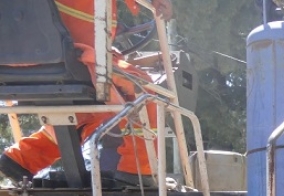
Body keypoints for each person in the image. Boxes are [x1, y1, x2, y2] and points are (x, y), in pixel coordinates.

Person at [0, 0, 171, 185]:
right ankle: (138, 171)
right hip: (72, 57)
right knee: (142, 87)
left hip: (11, 67)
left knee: (91, 110)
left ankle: (21, 160)